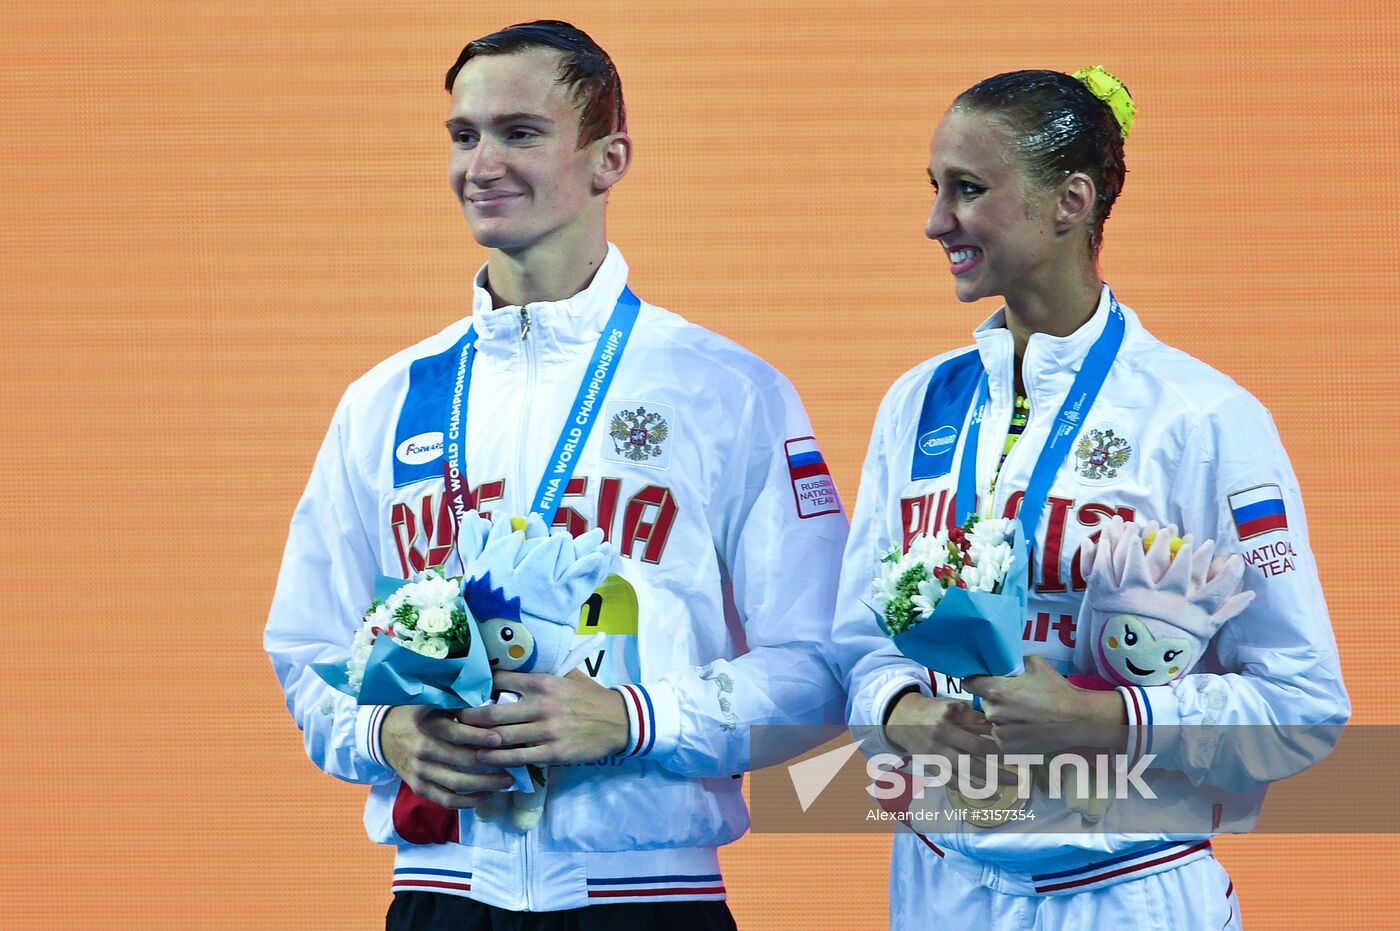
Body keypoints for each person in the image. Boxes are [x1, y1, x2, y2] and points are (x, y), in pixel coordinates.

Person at [264, 20, 848, 930]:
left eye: (520, 133)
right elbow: (309, 651)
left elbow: (821, 667)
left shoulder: (726, 390)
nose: (482, 164)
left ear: (610, 159)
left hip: (648, 896)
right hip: (443, 893)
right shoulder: (383, 399)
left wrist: (639, 718)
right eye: (464, 135)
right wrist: (382, 730)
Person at [828, 67, 1348, 929]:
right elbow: (858, 642)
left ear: (1070, 201)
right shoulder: (917, 403)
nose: (936, 221)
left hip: (1127, 893)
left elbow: (1302, 705)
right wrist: (901, 709)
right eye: (936, 188)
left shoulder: (1202, 417)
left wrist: (1108, 718)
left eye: (968, 189)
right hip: (939, 888)